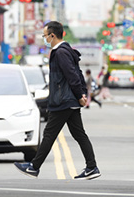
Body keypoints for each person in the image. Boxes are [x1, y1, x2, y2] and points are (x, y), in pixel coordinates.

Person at [15, 21, 101, 180]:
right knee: (79, 134)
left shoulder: (60, 52)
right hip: (69, 100)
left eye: (45, 36)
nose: (44, 39)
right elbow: (78, 73)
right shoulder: (66, 51)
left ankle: (34, 167)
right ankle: (91, 167)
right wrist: (81, 94)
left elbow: (72, 75)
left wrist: (79, 95)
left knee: (49, 134)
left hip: (63, 101)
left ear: (52, 35)